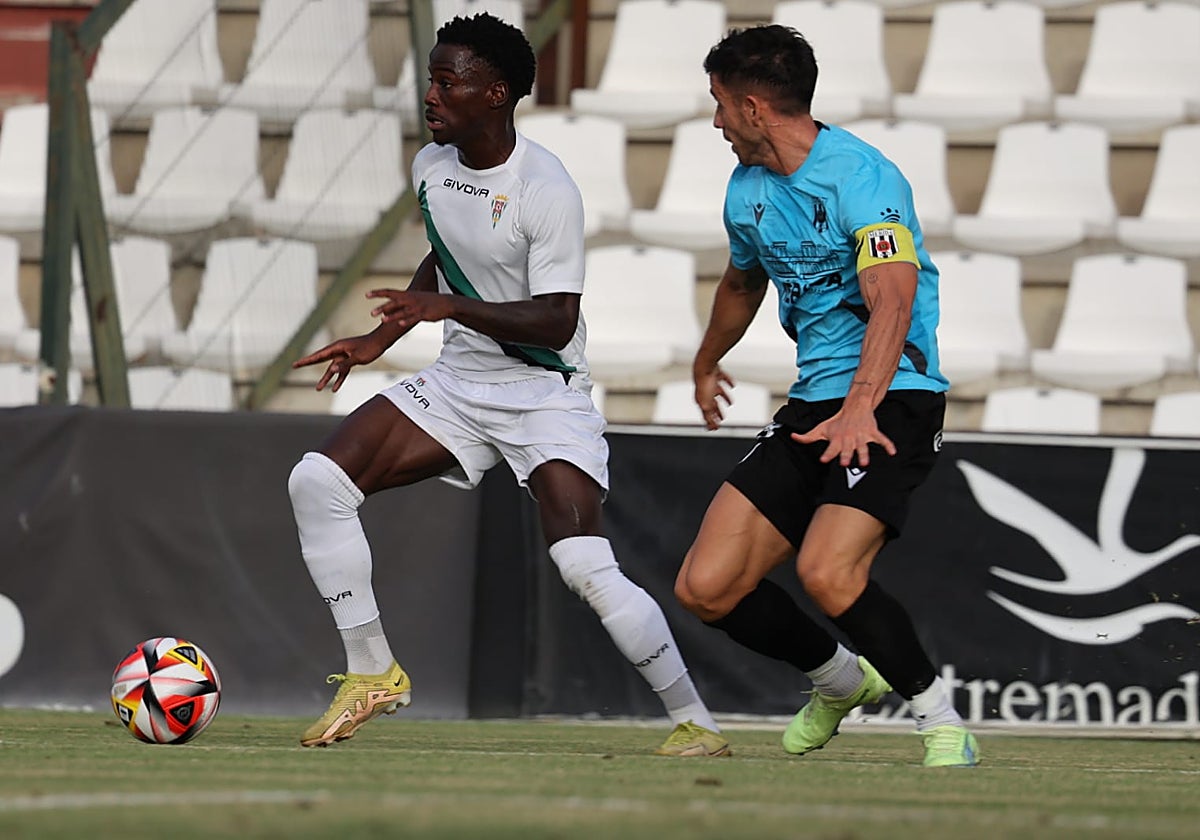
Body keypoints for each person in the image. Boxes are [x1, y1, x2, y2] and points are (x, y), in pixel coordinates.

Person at [286, 12, 727, 757]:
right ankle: (372, 671)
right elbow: (445, 259)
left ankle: (697, 722)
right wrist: (380, 337)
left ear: (494, 94)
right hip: (459, 383)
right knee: (316, 481)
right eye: (429, 77)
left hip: (543, 392)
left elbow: (555, 322)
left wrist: (449, 307)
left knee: (583, 564)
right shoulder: (432, 165)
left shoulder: (545, 188)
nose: (430, 93)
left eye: (446, 81)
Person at [672, 24, 979, 768]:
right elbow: (744, 281)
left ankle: (942, 722)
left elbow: (893, 303)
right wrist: (706, 361)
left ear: (752, 108)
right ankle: (839, 680)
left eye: (718, 105)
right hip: (815, 404)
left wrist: (862, 406)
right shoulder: (747, 188)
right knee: (706, 587)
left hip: (894, 396)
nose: (714, 123)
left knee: (827, 572)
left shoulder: (865, 180)